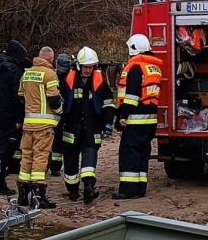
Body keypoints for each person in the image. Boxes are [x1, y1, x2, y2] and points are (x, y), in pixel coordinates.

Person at [60, 46, 116, 204]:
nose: (88, 70)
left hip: (92, 128)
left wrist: (107, 124)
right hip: (71, 128)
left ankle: (89, 188)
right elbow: (60, 103)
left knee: (90, 158)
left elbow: (108, 104)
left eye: (91, 67)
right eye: (86, 67)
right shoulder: (68, 81)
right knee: (70, 162)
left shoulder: (100, 83)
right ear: (79, 66)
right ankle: (72, 190)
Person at [113, 33, 162, 200]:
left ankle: (128, 190)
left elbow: (132, 96)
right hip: (150, 120)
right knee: (142, 153)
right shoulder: (152, 67)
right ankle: (140, 188)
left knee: (129, 153)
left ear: (133, 49)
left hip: (136, 119)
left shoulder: (135, 67)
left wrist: (122, 115)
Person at [16, 47, 63, 209]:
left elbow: (20, 97)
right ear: (51, 59)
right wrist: (60, 112)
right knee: (40, 158)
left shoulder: (26, 73)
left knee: (27, 157)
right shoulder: (50, 74)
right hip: (44, 126)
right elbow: (54, 99)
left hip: (28, 124)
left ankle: (22, 195)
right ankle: (38, 196)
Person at [0, 40, 31, 196]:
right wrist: (19, 118)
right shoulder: (15, 70)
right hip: (8, 114)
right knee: (4, 149)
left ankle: (1, 177)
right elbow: (17, 96)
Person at [48, 54, 71, 178]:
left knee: (59, 143)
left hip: (65, 112)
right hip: (54, 112)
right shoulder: (52, 75)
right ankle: (50, 165)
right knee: (51, 141)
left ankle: (56, 167)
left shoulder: (70, 77)